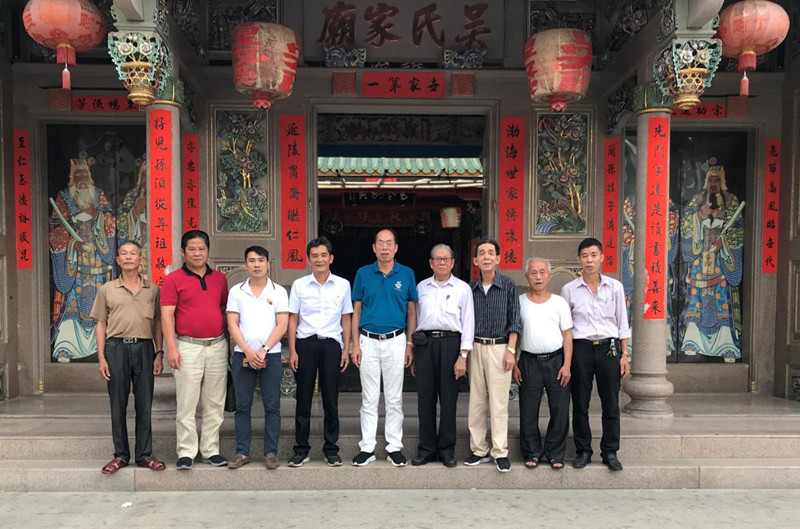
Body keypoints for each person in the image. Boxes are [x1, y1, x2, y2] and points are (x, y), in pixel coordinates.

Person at [91, 241, 165, 475]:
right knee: (118, 404)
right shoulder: (107, 289)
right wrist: (101, 357)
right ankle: (121, 455)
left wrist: (159, 352)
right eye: (124, 253)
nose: (129, 257)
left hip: (144, 348)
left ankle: (144, 455)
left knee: (144, 404)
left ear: (141, 260)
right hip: (116, 349)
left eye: (134, 253)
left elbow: (158, 322)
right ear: (118, 260)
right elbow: (101, 324)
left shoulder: (153, 290)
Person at [161, 230, 230, 470]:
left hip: (217, 345)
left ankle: (211, 450)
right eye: (192, 249)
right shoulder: (173, 280)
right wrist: (171, 348)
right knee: (187, 403)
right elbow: (166, 316)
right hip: (187, 346)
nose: (197, 253)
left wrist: (229, 347)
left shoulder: (220, 279)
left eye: (202, 249)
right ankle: (186, 451)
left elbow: (224, 311)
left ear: (208, 251)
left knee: (215, 403)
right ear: (183, 252)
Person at [561, 237, 631, 471]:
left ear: (602, 257)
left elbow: (622, 323)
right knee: (580, 402)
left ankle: (610, 451)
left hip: (609, 348)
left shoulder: (615, 287)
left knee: (610, 402)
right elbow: (566, 327)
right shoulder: (569, 290)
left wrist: (624, 354)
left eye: (593, 255)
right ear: (579, 259)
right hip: (580, 348)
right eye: (585, 256)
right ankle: (583, 450)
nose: (589, 260)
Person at [351, 228, 418, 467]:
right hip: (368, 341)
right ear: (374, 248)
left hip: (396, 340)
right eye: (380, 243)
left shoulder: (407, 274)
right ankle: (367, 447)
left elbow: (412, 312)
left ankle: (394, 447)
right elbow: (356, 311)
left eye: (389, 243)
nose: (385, 247)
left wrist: (410, 343)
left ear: (396, 248)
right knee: (368, 397)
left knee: (394, 397)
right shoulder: (363, 273)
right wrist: (355, 344)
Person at [287, 237, 353, 468]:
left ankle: (331, 449)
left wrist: (345, 349)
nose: (319, 260)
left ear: (331, 258)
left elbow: (346, 318)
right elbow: (292, 318)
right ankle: (301, 449)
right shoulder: (299, 285)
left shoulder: (343, 285)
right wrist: (292, 350)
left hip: (332, 344)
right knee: (303, 399)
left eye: (323, 255)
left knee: (331, 399)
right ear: (309, 260)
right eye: (314, 256)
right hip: (305, 344)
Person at [226, 246, 289, 470]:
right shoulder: (237, 291)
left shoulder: (278, 292)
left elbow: (282, 324)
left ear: (268, 264)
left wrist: (263, 350)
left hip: (270, 356)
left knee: (272, 406)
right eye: (252, 260)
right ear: (246, 265)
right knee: (243, 406)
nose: (256, 264)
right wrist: (247, 350)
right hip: (242, 356)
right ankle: (242, 452)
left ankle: (271, 452)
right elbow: (232, 323)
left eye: (261, 260)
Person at [412, 244, 474, 468]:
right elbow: (414, 318)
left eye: (445, 259)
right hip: (425, 344)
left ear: (452, 262)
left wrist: (463, 355)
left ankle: (447, 450)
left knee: (448, 401)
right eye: (437, 259)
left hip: (451, 344)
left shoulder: (462, 288)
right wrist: (414, 351)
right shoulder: (421, 287)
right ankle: (426, 449)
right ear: (431, 263)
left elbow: (468, 323)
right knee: (425, 399)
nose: (441, 263)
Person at [50, 157, 116, 362]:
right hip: (75, 267)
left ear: (90, 176)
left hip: (98, 265)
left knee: (101, 308)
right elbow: (55, 228)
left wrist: (97, 216)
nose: (81, 178)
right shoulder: (64, 197)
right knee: (72, 307)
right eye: (77, 174)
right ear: (72, 177)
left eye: (84, 174)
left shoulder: (98, 195)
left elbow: (110, 221)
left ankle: (101, 348)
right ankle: (67, 347)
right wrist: (72, 244)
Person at [513, 257, 573, 470]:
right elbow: (514, 334)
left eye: (542, 272)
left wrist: (567, 365)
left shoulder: (559, 303)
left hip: (556, 361)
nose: (538, 277)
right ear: (527, 276)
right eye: (533, 273)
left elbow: (567, 335)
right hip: (528, 361)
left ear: (549, 276)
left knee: (560, 409)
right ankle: (532, 452)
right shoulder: (519, 302)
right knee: (528, 410)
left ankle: (555, 453)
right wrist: (515, 364)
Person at [679, 163, 744, 362]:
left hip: (720, 261)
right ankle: (692, 341)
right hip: (700, 260)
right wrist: (700, 215)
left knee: (721, 300)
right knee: (696, 299)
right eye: (710, 179)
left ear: (722, 181)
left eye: (717, 180)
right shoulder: (698, 199)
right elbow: (686, 222)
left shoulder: (731, 200)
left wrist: (723, 243)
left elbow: (737, 228)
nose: (713, 183)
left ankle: (726, 344)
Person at [466, 238, 521, 473]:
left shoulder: (508, 285)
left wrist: (511, 351)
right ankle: (479, 450)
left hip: (500, 348)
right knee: (476, 402)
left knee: (499, 403)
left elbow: (515, 320)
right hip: (476, 347)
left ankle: (500, 451)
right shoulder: (470, 289)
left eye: (491, 253)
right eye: (482, 253)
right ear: (475, 260)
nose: (486, 257)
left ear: (498, 259)